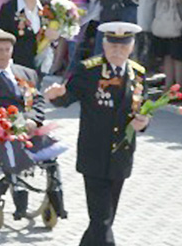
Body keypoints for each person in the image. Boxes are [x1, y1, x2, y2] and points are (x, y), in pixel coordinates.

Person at [45, 22, 150, 246]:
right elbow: (67, 96)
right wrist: (56, 96)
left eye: (123, 46)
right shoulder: (89, 70)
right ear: (104, 45)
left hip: (121, 156)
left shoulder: (138, 74)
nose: (117, 51)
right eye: (113, 46)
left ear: (131, 47)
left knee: (103, 221)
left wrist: (144, 122)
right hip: (94, 154)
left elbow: (142, 109)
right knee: (101, 222)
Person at [0, 28, 66, 221]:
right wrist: (8, 122)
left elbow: (38, 101)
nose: (4, 54)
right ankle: (20, 198)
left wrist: (32, 120)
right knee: (11, 144)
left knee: (50, 149)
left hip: (27, 126)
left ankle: (55, 194)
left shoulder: (26, 73)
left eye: (7, 49)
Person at [0, 0, 59, 72]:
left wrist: (54, 36)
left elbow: (54, 34)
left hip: (41, 64)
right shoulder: (9, 8)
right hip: (16, 65)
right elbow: (0, 37)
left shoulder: (47, 6)